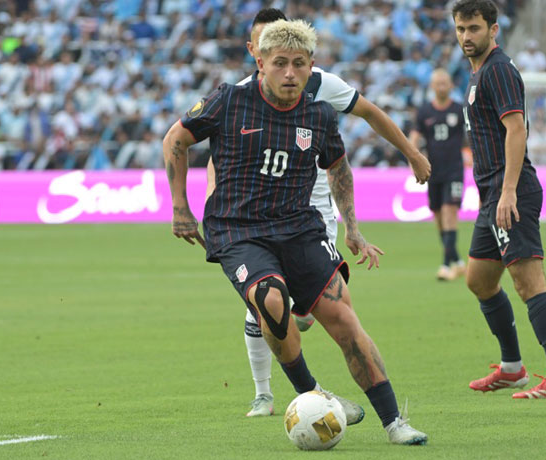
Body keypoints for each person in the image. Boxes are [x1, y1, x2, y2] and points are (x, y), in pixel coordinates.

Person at [163, 19, 428, 444]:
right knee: (270, 298)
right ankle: (312, 394)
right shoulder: (229, 101)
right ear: (261, 62)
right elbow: (176, 139)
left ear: (311, 67)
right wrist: (180, 207)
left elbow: (338, 167)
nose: (290, 73)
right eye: (280, 63)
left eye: (299, 64)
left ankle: (395, 422)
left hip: (299, 227)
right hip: (238, 230)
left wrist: (353, 228)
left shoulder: (319, 114)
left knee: (343, 319)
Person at [452, 0, 546, 399]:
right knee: (480, 280)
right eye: (461, 29)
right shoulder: (477, 72)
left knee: (528, 282)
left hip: (511, 192)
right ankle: (512, 368)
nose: (466, 36)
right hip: (492, 195)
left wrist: (507, 192)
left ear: (494, 29)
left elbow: (516, 130)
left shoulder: (499, 69)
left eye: (474, 28)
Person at [408, 69, 467, 281]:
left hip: (454, 171)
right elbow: (414, 136)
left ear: (451, 86)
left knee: (450, 211)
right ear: (432, 87)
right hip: (433, 172)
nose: (441, 87)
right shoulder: (424, 111)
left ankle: (445, 265)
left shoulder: (459, 110)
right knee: (439, 217)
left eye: (445, 83)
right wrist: (412, 158)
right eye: (438, 83)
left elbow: (471, 138)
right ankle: (459, 262)